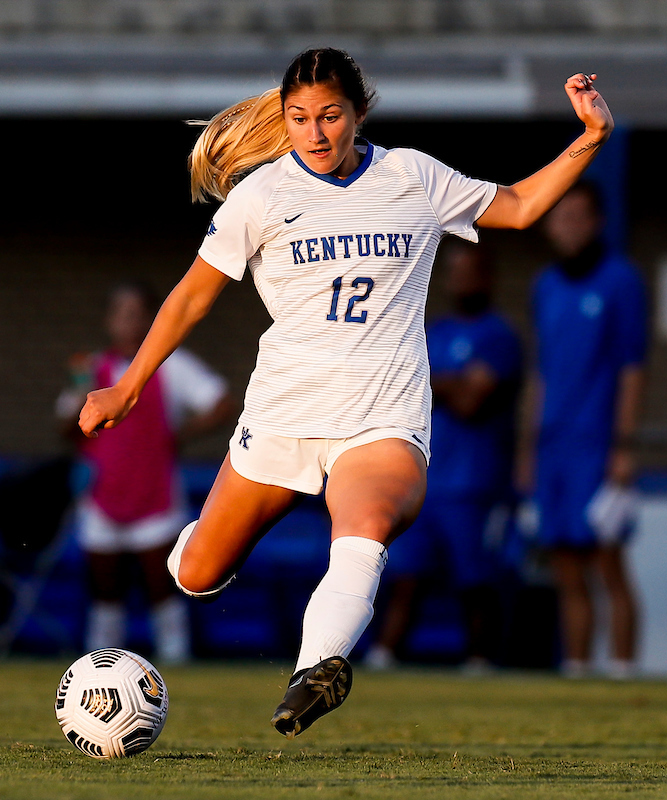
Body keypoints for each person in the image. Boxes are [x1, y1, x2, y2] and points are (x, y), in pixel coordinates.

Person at [77, 47, 616, 737]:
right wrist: (127, 386)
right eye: (299, 117)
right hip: (283, 413)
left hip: (382, 414)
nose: (316, 132)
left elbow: (519, 206)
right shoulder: (261, 196)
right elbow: (189, 298)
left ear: (359, 113)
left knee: (365, 526)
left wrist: (591, 135)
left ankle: (315, 672)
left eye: (330, 115)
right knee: (197, 573)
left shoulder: (411, 176)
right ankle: (200, 550)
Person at [58, 280, 234, 664]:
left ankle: (175, 656)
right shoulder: (90, 368)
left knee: (162, 586)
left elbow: (221, 402)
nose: (129, 324)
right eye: (121, 315)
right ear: (109, 321)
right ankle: (100, 663)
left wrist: (179, 435)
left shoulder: (173, 365)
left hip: (156, 494)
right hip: (103, 495)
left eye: (137, 315)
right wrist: (79, 391)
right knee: (105, 590)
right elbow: (66, 431)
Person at [366, 240, 521, 671]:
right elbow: (399, 389)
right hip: (422, 478)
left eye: (469, 272)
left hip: (474, 482)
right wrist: (452, 382)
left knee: (475, 580)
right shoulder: (432, 332)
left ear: (487, 277)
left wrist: (432, 381)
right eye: (454, 272)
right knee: (405, 575)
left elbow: (472, 402)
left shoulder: (499, 336)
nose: (460, 281)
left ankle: (480, 662)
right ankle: (384, 657)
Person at [517, 181, 647, 679]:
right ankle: (577, 668)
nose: (568, 226)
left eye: (578, 217)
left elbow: (632, 368)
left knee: (608, 563)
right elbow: (542, 372)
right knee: (565, 564)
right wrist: (528, 450)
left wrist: (623, 446)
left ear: (597, 223)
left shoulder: (621, 281)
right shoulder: (544, 285)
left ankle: (623, 669)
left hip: (597, 443)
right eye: (560, 216)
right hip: (553, 446)